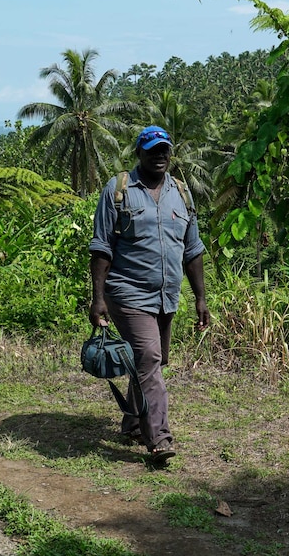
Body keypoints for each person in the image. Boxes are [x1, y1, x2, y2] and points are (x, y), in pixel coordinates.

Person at [89, 125, 209, 463]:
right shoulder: (119, 190)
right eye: (152, 150)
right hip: (127, 292)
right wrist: (98, 298)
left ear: (170, 153)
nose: (159, 156)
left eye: (164, 150)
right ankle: (159, 439)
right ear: (139, 153)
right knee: (150, 360)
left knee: (151, 361)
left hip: (166, 296)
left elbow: (193, 249)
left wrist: (200, 297)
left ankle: (132, 423)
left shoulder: (182, 193)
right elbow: (101, 247)